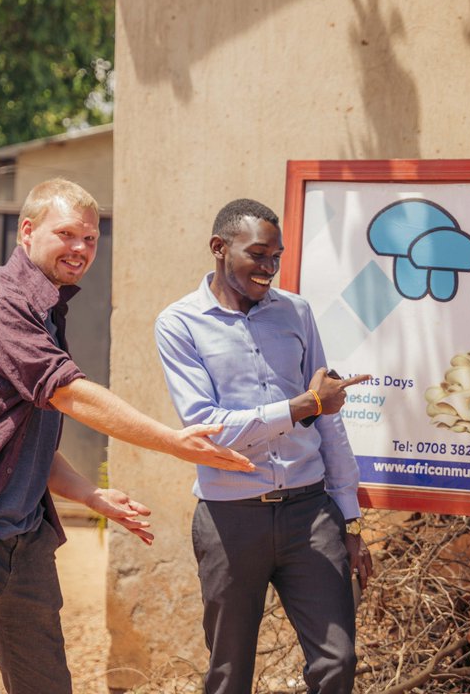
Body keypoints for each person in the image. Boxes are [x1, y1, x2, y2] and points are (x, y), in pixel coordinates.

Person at [0, 178, 255, 694]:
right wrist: (173, 441)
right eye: (68, 233)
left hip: (21, 544)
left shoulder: (47, 311)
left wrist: (92, 495)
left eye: (91, 239)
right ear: (27, 232)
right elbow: (68, 394)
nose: (80, 248)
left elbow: (23, 445)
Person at [154, 198, 376, 694]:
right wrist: (301, 407)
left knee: (338, 662)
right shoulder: (179, 324)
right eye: (258, 254)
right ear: (219, 248)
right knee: (230, 673)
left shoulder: (295, 312)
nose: (269, 268)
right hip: (231, 520)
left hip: (310, 515)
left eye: (276, 256)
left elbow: (329, 419)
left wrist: (350, 519)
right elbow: (206, 427)